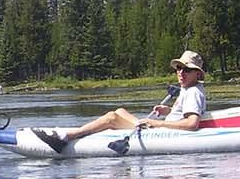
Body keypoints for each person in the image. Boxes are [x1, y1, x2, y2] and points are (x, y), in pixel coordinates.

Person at [35, 50, 208, 152]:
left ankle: (67, 137)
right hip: (162, 128)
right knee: (120, 112)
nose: (181, 73)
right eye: (179, 68)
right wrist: (168, 112)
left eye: (187, 70)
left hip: (163, 133)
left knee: (112, 117)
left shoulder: (193, 92)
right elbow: (184, 116)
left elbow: (192, 123)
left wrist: (156, 123)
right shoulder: (189, 89)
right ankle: (75, 132)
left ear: (197, 74)